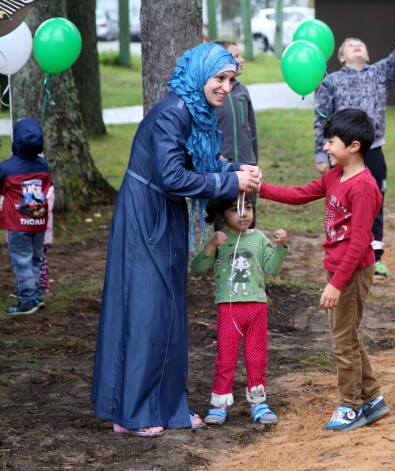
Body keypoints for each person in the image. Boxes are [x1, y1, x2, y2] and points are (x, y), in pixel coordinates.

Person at [91, 43, 262, 438]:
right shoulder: (173, 111)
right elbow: (172, 176)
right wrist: (230, 181)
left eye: (231, 80)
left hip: (165, 212)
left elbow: (198, 165)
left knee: (169, 310)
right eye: (219, 78)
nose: (225, 87)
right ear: (200, 74)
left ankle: (169, 408)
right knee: (146, 310)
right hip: (145, 212)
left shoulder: (197, 111)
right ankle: (131, 413)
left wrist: (238, 169)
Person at [258, 108, 391, 432]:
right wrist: (258, 188)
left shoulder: (363, 187)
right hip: (338, 270)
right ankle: (372, 398)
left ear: (354, 146)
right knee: (347, 335)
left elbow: (360, 241)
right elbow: (299, 194)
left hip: (352, 272)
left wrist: (336, 284)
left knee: (342, 340)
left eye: (331, 142)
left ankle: (351, 406)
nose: (327, 148)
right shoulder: (335, 176)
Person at [313, 29, 395, 279]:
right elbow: (320, 121)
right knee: (341, 205)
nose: (356, 46)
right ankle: (341, 254)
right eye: (350, 45)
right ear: (341, 58)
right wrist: (321, 154)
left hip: (372, 151)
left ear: (368, 55)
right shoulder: (331, 81)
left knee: (374, 202)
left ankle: (375, 257)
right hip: (341, 155)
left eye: (360, 44)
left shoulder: (379, 74)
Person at [191, 194, 288, 426]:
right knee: (226, 358)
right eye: (235, 209)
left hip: (257, 307)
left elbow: (272, 268)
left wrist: (280, 247)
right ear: (222, 215)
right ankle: (219, 405)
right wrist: (211, 244)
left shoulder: (260, 238)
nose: (243, 214)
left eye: (248, 207)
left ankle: (258, 403)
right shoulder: (220, 240)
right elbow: (197, 268)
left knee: (257, 358)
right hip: (229, 309)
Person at [0, 116, 51, 315]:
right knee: (36, 258)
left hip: (18, 223)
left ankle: (28, 300)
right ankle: (35, 294)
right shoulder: (43, 166)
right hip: (38, 221)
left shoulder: (6, 167)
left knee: (21, 259)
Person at [213, 39, 260, 227]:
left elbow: (252, 129)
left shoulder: (243, 91)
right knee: (225, 217)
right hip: (223, 169)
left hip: (247, 167)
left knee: (248, 214)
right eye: (236, 56)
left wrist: (254, 161)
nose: (242, 60)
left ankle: (251, 254)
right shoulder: (213, 93)